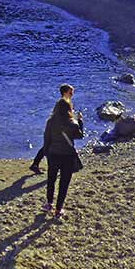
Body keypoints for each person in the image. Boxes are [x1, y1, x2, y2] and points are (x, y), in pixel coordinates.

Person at [43, 84, 84, 218]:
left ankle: (49, 203)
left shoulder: (50, 121)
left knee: (51, 180)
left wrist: (47, 154)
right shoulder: (72, 123)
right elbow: (79, 136)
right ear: (69, 109)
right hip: (67, 155)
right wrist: (81, 122)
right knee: (64, 183)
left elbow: (46, 140)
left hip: (53, 154)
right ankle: (58, 209)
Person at [28, 83, 75, 173]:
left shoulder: (64, 102)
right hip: (58, 127)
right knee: (49, 146)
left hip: (55, 126)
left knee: (48, 145)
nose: (72, 93)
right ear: (65, 92)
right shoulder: (63, 102)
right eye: (71, 92)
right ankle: (37, 164)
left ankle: (35, 164)